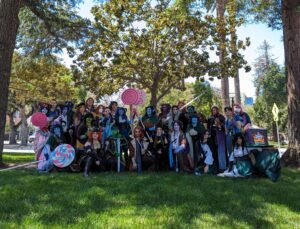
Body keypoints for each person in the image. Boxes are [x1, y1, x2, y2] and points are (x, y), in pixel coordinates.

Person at [207, 105, 227, 172]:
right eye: (212, 110)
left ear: (217, 110)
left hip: (220, 136)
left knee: (221, 152)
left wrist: (219, 125)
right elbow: (208, 127)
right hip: (212, 137)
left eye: (215, 110)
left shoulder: (221, 117)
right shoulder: (210, 118)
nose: (213, 111)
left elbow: (224, 126)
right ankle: (216, 167)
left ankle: (223, 167)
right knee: (214, 152)